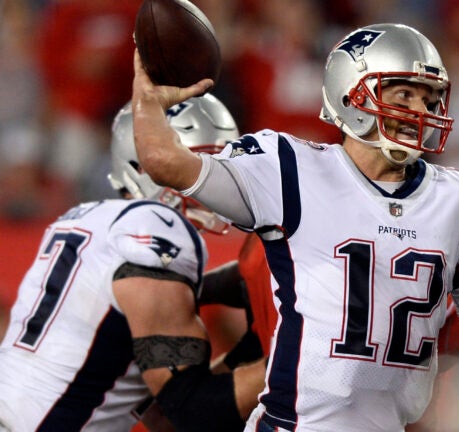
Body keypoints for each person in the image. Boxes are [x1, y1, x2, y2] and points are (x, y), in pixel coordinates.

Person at [131, 23, 459, 431]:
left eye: (428, 98)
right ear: (350, 94)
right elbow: (165, 164)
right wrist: (147, 100)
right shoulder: (291, 169)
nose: (418, 109)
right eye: (402, 94)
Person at [0, 94, 265, 432]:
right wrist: (297, 353)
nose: (221, 178)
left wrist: (250, 344)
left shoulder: (82, 217)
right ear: (147, 166)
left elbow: (160, 415)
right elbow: (193, 409)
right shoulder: (158, 228)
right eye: (207, 162)